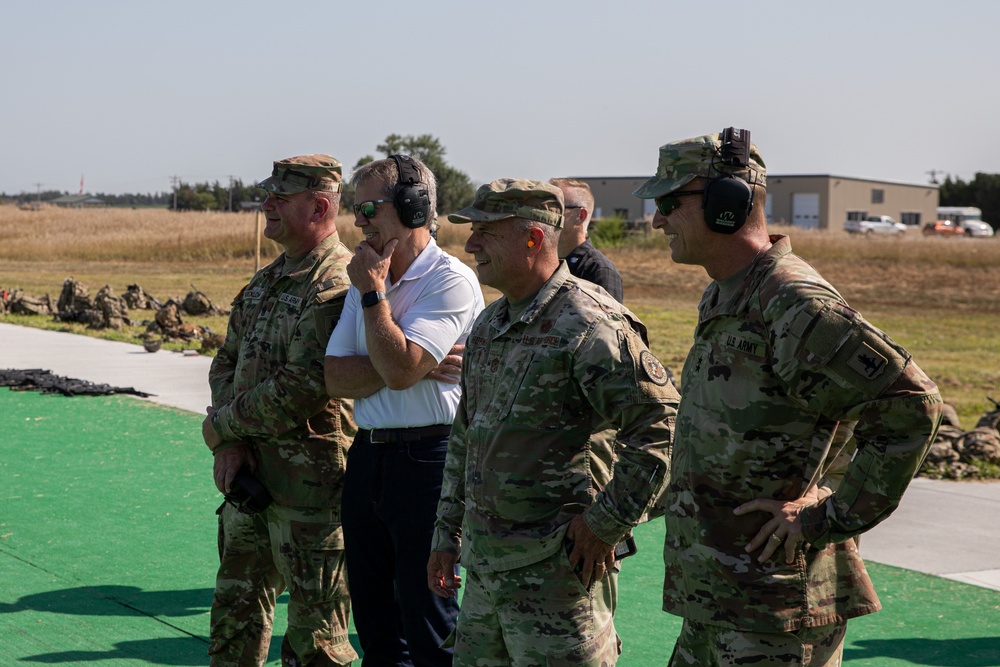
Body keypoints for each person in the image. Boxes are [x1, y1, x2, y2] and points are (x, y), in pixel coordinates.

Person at [633, 128, 943, 666]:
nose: (657, 220)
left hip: (775, 614)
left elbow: (912, 406)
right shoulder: (728, 290)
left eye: (667, 202)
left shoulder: (793, 301)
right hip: (717, 601)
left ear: (724, 205)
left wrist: (827, 515)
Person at [428, 178, 679, 666]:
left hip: (557, 578)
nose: (471, 244)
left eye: (485, 231)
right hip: (485, 576)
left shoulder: (590, 323)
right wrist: (446, 535)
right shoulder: (491, 322)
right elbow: (466, 437)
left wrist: (605, 524)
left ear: (533, 239)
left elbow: (662, 427)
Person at [324, 155, 484, 667]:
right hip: (368, 458)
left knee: (429, 622)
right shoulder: (367, 271)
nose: (358, 221)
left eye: (369, 207)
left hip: (429, 461)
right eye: (357, 208)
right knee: (375, 625)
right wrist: (406, 361)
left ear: (414, 208)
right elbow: (334, 377)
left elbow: (396, 370)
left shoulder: (449, 279)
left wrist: (375, 299)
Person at [203, 154, 358, 666]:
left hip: (310, 497)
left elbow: (301, 387)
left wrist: (222, 427)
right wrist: (231, 443)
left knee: (317, 644)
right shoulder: (268, 279)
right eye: (267, 194)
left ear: (319, 206)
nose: (265, 205)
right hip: (250, 484)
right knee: (233, 623)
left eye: (279, 197)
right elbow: (226, 362)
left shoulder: (336, 283)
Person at [549, 177, 624, 302]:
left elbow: (608, 321)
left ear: (580, 216)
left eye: (555, 208)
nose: (546, 214)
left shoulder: (599, 270)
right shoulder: (544, 263)